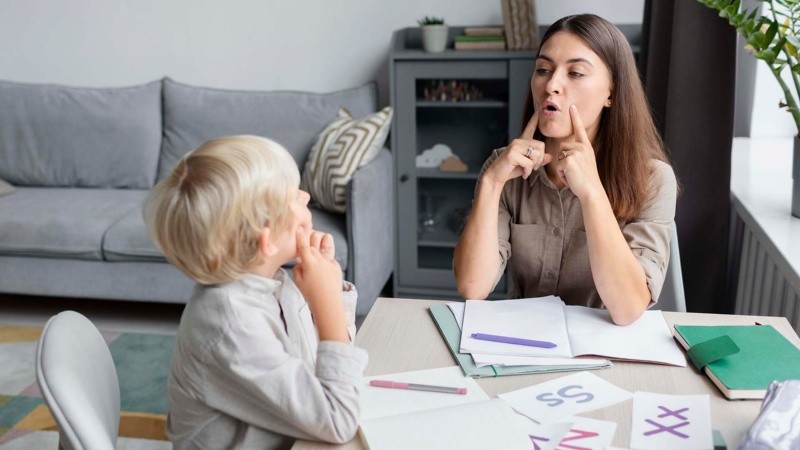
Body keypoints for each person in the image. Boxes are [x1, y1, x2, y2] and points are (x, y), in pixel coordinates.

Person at [143, 135, 367, 449]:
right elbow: (338, 419)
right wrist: (326, 302)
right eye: (293, 196)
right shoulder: (233, 325)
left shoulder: (268, 280)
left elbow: (327, 368)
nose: (305, 195)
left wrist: (326, 296)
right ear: (268, 242)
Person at [453, 14, 677, 326]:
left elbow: (628, 309)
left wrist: (592, 192)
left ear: (611, 92)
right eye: (543, 70)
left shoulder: (654, 180)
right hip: (521, 342)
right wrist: (492, 182)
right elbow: (472, 287)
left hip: (603, 349)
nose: (552, 85)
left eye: (576, 73)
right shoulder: (504, 169)